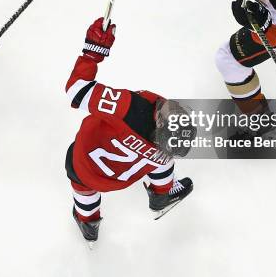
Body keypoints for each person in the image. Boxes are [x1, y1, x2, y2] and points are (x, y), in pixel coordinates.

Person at [65, 17, 196, 243]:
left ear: (160, 121)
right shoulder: (163, 145)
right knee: (165, 158)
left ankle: (88, 222)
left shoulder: (129, 108)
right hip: (123, 178)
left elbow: (76, 91)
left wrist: (92, 53)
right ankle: (161, 197)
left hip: (84, 164)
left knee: (80, 178)